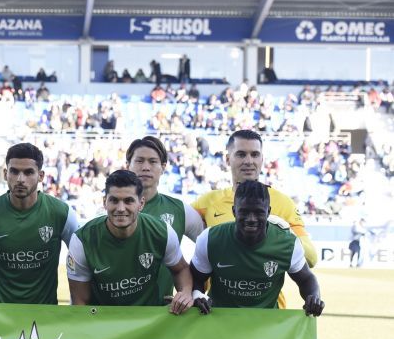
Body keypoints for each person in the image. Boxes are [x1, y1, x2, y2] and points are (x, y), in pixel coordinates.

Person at [192, 130, 318, 306]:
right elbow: (176, 238)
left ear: (261, 160)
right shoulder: (206, 203)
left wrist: (281, 228)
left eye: (255, 154)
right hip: (220, 313)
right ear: (228, 159)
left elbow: (311, 258)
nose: (249, 161)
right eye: (241, 154)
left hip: (268, 316)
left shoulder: (283, 203)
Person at [67, 170, 193, 313]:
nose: (121, 208)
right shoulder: (82, 240)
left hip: (149, 321)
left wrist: (186, 292)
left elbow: (181, 269)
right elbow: (80, 302)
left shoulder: (161, 231)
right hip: (102, 324)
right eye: (114, 200)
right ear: (104, 202)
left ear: (141, 203)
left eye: (129, 201)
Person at [190, 181, 324, 315]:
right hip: (219, 321)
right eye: (244, 211)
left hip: (266, 326)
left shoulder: (287, 243)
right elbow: (196, 278)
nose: (251, 219)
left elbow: (306, 279)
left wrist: (313, 298)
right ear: (234, 211)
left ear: (268, 212)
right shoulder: (210, 239)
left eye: (259, 212)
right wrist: (197, 295)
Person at [0, 142, 78, 304]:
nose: (20, 179)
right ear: (6, 173)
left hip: (44, 317)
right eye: (14, 171)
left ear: (41, 176)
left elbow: (80, 264)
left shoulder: (62, 213)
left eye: (28, 172)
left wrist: (75, 308)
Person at [125, 136, 204, 302]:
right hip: (117, 312)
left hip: (163, 315)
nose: (145, 167)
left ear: (163, 167)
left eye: (152, 161)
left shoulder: (180, 210)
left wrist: (192, 291)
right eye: (139, 161)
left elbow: (209, 245)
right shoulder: (110, 212)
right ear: (128, 166)